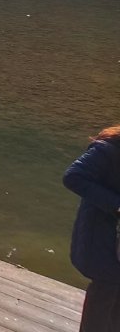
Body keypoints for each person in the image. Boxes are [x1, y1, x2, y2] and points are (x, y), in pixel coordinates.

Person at [64, 126, 120, 331]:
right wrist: (117, 204)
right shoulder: (109, 149)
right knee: (104, 295)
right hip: (102, 237)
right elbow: (72, 177)